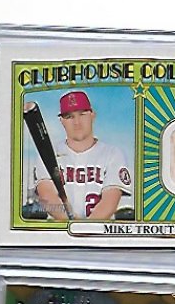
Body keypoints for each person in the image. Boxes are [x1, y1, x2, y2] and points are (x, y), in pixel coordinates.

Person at [34, 90, 132, 220]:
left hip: (99, 231)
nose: (77, 122)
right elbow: (47, 197)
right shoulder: (48, 154)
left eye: (82, 114)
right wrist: (70, 223)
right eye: (69, 117)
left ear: (92, 115)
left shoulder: (112, 154)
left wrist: (83, 227)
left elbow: (110, 203)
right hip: (60, 230)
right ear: (62, 121)